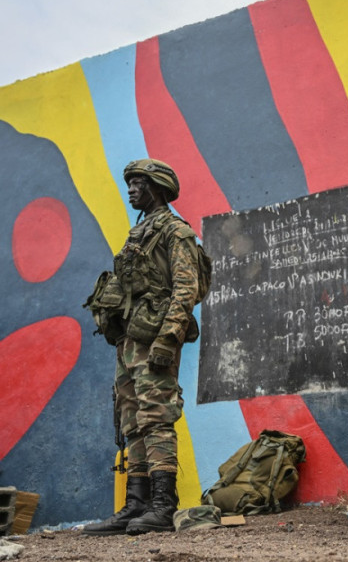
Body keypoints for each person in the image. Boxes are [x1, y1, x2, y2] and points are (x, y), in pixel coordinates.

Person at [83, 159, 202, 536]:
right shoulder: (140, 231)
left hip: (155, 338)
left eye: (139, 183)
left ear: (158, 188)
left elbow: (186, 289)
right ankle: (137, 505)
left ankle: (164, 507)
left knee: (156, 417)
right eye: (130, 183)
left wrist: (168, 338)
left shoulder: (175, 231)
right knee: (132, 420)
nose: (131, 189)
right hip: (131, 340)